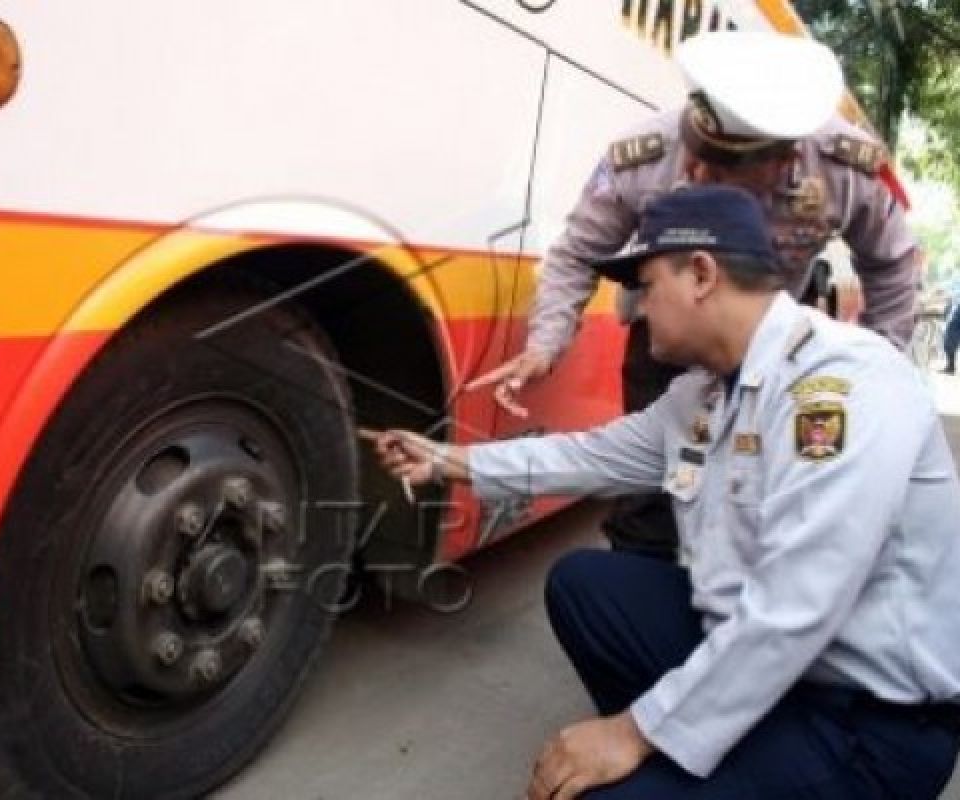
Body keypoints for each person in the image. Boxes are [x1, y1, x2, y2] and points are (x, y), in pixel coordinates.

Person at [369, 185, 960, 799]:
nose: (634, 310)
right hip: (784, 672)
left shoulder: (841, 387)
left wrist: (631, 732)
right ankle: (696, 755)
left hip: (869, 726)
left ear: (701, 274)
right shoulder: (702, 395)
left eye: (645, 287)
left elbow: (795, 607)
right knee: (585, 585)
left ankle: (683, 759)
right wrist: (445, 460)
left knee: (597, 792)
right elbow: (582, 456)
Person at [467, 31, 921, 563]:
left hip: (772, 350)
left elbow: (892, 262)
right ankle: (639, 608)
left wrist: (878, 371)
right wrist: (546, 343)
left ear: (785, 159)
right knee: (648, 500)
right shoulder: (648, 155)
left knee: (764, 489)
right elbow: (575, 253)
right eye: (696, 152)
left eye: (723, 170)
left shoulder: (842, 167)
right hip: (667, 341)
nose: (694, 173)